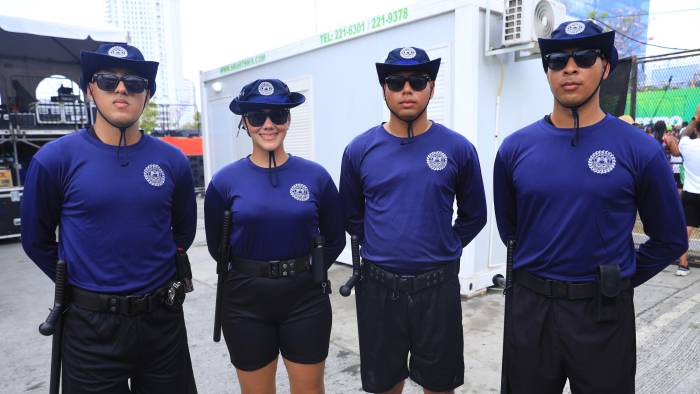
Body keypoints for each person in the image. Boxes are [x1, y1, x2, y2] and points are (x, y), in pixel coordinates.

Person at [493, 20, 687, 393]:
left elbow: (670, 238)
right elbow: (511, 229)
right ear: (547, 70)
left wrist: (621, 278)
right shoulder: (515, 149)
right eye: (556, 60)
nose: (569, 67)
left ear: (606, 67)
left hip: (603, 313)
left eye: (583, 57)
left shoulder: (639, 150)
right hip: (531, 312)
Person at [20, 43, 198, 393]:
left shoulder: (172, 161)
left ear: (146, 95)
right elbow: (35, 239)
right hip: (90, 327)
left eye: (134, 83)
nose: (121, 89)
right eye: (107, 80)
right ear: (90, 89)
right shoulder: (55, 160)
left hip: (162, 320)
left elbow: (183, 232)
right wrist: (82, 279)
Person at [340, 47, 487, 394]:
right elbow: (351, 214)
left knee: (439, 384)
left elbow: (475, 214)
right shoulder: (359, 150)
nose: (407, 89)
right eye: (396, 82)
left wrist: (444, 244)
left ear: (431, 88)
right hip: (378, 289)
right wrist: (382, 244)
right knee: (385, 385)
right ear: (384, 89)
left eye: (417, 81)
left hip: (438, 288)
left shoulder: (457, 148)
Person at [204, 79, 346, 394]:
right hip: (245, 301)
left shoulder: (315, 176)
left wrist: (311, 269)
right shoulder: (224, 181)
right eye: (257, 117)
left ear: (289, 119)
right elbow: (217, 247)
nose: (268, 124)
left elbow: (336, 237)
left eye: (277, 116)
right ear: (244, 122)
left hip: (305, 297)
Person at [666, 105, 700, 276]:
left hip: (690, 193)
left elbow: (684, 134)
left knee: (686, 228)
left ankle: (682, 265)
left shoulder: (687, 144)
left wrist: (696, 118)